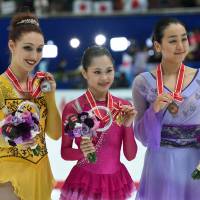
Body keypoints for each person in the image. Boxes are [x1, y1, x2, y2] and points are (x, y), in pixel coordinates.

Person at [132, 18, 200, 200]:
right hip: (160, 163)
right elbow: (141, 136)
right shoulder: (142, 82)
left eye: (184, 39)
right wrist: (153, 111)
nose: (180, 46)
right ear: (158, 46)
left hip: (195, 162)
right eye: (172, 40)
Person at [60, 45, 138, 200]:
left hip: (114, 183)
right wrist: (83, 153)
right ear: (85, 73)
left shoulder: (122, 107)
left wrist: (128, 125)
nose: (104, 78)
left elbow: (130, 156)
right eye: (97, 72)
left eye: (109, 70)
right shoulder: (75, 108)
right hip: (84, 182)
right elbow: (65, 152)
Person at [0, 12, 61, 200]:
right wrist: (12, 139)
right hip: (9, 174)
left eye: (39, 49)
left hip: (40, 171)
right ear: (12, 45)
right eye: (28, 48)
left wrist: (50, 96)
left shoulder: (40, 86)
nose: (34, 56)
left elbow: (55, 134)